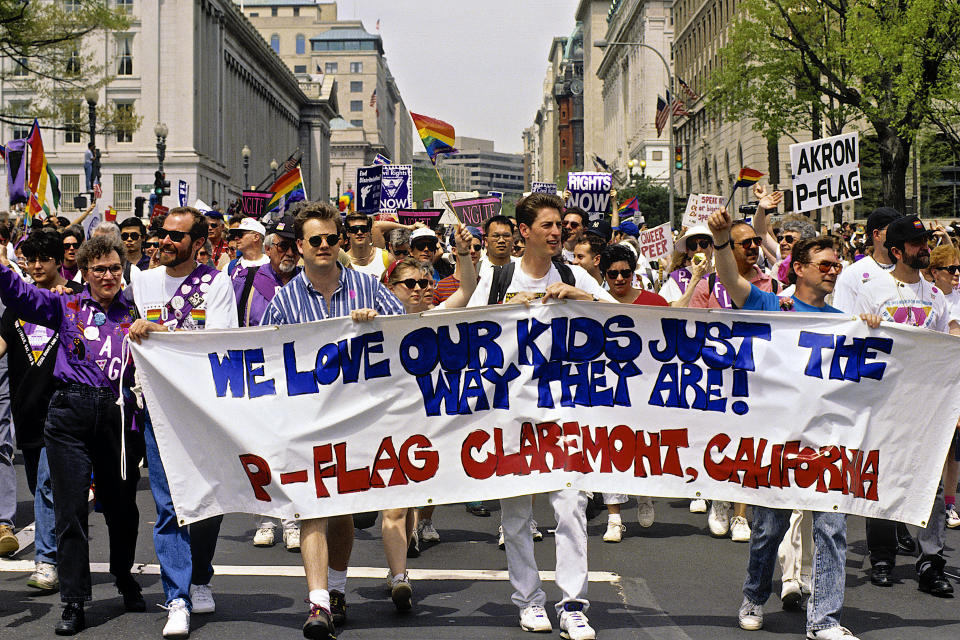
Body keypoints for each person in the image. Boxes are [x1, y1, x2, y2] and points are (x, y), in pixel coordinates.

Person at [707, 206, 880, 640]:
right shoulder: (774, 303)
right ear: (798, 269)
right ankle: (753, 595)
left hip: (827, 442)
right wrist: (723, 241)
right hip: (777, 441)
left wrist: (873, 329)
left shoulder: (844, 320)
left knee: (832, 529)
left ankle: (824, 619)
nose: (833, 273)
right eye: (825, 265)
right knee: (769, 530)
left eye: (837, 266)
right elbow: (731, 281)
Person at [467, 193, 614, 640]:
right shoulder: (498, 278)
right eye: (547, 225)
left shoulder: (573, 272)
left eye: (560, 226)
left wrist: (580, 295)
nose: (556, 233)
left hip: (564, 406)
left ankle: (572, 604)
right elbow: (464, 330)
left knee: (571, 505)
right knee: (516, 512)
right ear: (524, 231)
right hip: (511, 410)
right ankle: (529, 600)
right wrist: (508, 308)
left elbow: (623, 318)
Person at [261, 202, 405, 640]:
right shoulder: (283, 300)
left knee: (341, 512)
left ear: (340, 242)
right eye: (315, 240)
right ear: (300, 246)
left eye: (331, 238)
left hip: (360, 418)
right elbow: (262, 355)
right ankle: (318, 604)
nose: (324, 246)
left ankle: (337, 589)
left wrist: (377, 322)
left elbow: (408, 336)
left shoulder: (368, 287)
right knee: (312, 509)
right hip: (308, 420)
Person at [0, 234, 147, 635]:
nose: (107, 275)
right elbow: (20, 296)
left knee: (122, 509)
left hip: (118, 417)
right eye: (99, 268)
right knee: (69, 512)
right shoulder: (65, 304)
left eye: (115, 268)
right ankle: (74, 600)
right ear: (84, 271)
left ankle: (123, 575)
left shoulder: (136, 308)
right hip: (68, 415)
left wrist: (150, 328)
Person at [127, 207, 239, 638]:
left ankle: (200, 576)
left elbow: (219, 341)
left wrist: (161, 334)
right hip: (158, 409)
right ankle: (177, 596)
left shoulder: (216, 283)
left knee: (206, 500)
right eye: (163, 234)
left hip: (203, 412)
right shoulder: (144, 281)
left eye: (177, 236)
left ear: (198, 243)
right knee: (169, 505)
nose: (166, 242)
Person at [852, 214, 957, 598]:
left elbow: (948, 346)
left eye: (925, 241)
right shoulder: (873, 289)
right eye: (916, 244)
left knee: (929, 479)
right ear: (897, 251)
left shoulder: (936, 296)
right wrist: (866, 323)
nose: (924, 248)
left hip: (929, 404)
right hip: (885, 402)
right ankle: (881, 555)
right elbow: (856, 338)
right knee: (882, 475)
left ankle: (932, 560)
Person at [0, 232, 84, 589]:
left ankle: (46, 561)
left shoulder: (75, 300)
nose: (36, 266)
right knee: (39, 486)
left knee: (49, 485)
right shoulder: (18, 306)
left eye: (44, 259)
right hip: (27, 413)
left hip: (63, 409)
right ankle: (65, 545)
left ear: (58, 261)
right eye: (29, 259)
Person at [596, 244, 667, 542]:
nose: (620, 279)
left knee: (644, 443)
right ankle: (614, 517)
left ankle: (644, 493)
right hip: (607, 386)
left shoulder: (656, 302)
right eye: (613, 274)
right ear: (604, 275)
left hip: (646, 386)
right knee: (607, 445)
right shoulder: (593, 303)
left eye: (626, 273)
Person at [924, 245, 960, 529]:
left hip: (955, 380)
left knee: (952, 449)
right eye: (951, 269)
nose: (957, 274)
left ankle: (949, 505)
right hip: (931, 380)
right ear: (935, 272)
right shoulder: (928, 296)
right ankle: (924, 502)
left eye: (959, 268)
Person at [344, 213, 391, 278]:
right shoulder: (342, 261)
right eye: (354, 230)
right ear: (347, 233)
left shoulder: (386, 257)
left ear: (369, 231)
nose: (359, 232)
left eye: (364, 229)